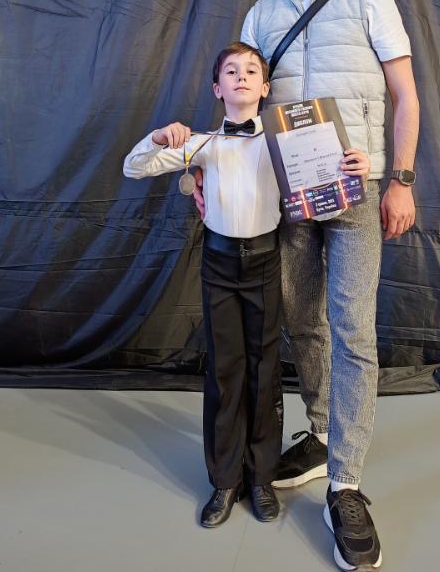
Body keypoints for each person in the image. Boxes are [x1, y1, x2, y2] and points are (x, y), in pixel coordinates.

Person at [240, 0, 420, 571]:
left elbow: (405, 96)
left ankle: (345, 483)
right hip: (287, 198)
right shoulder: (260, 16)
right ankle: (318, 433)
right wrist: (205, 168)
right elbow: (243, 105)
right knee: (302, 323)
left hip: (356, 192)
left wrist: (399, 179)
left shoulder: (370, 0)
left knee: (353, 331)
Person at [123, 40, 371, 532]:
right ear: (217, 88)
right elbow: (134, 167)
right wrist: (158, 138)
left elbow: (329, 191)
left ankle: (260, 477)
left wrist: (354, 169)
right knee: (224, 372)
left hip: (264, 264)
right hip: (218, 267)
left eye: (251, 71)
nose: (241, 77)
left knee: (264, 372)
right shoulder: (201, 144)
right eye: (231, 71)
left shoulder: (284, 145)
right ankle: (224, 479)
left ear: (265, 88)